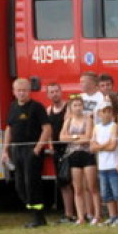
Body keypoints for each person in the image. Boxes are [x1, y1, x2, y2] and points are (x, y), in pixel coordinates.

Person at [2, 78, 52, 228]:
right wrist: (5, 150)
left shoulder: (37, 107)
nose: (22, 93)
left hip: (31, 150)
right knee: (20, 185)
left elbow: (47, 129)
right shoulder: (12, 107)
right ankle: (33, 213)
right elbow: (9, 129)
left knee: (32, 184)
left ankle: (39, 218)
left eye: (24, 90)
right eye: (19, 90)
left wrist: (37, 149)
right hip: (17, 150)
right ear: (14, 92)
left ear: (29, 91)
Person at [43, 82, 76, 223]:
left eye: (56, 91)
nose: (54, 94)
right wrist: (50, 145)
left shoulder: (68, 108)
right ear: (48, 94)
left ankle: (82, 213)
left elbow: (69, 126)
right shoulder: (48, 110)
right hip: (57, 151)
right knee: (63, 182)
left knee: (75, 182)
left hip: (69, 149)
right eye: (51, 92)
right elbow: (48, 129)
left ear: (61, 92)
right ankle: (68, 213)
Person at [91, 99, 118, 226]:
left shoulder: (114, 126)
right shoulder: (96, 128)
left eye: (109, 111)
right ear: (99, 114)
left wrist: (100, 146)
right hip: (102, 166)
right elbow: (92, 147)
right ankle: (113, 216)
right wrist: (104, 145)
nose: (106, 114)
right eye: (103, 112)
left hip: (113, 164)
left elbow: (113, 146)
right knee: (106, 194)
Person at [61, 95, 95, 225]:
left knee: (90, 186)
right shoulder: (68, 120)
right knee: (78, 188)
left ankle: (90, 213)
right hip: (73, 155)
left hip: (86, 154)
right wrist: (77, 137)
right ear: (70, 107)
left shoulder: (88, 119)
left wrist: (72, 137)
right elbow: (62, 137)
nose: (78, 108)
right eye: (75, 105)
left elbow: (88, 137)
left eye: (80, 105)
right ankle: (80, 216)